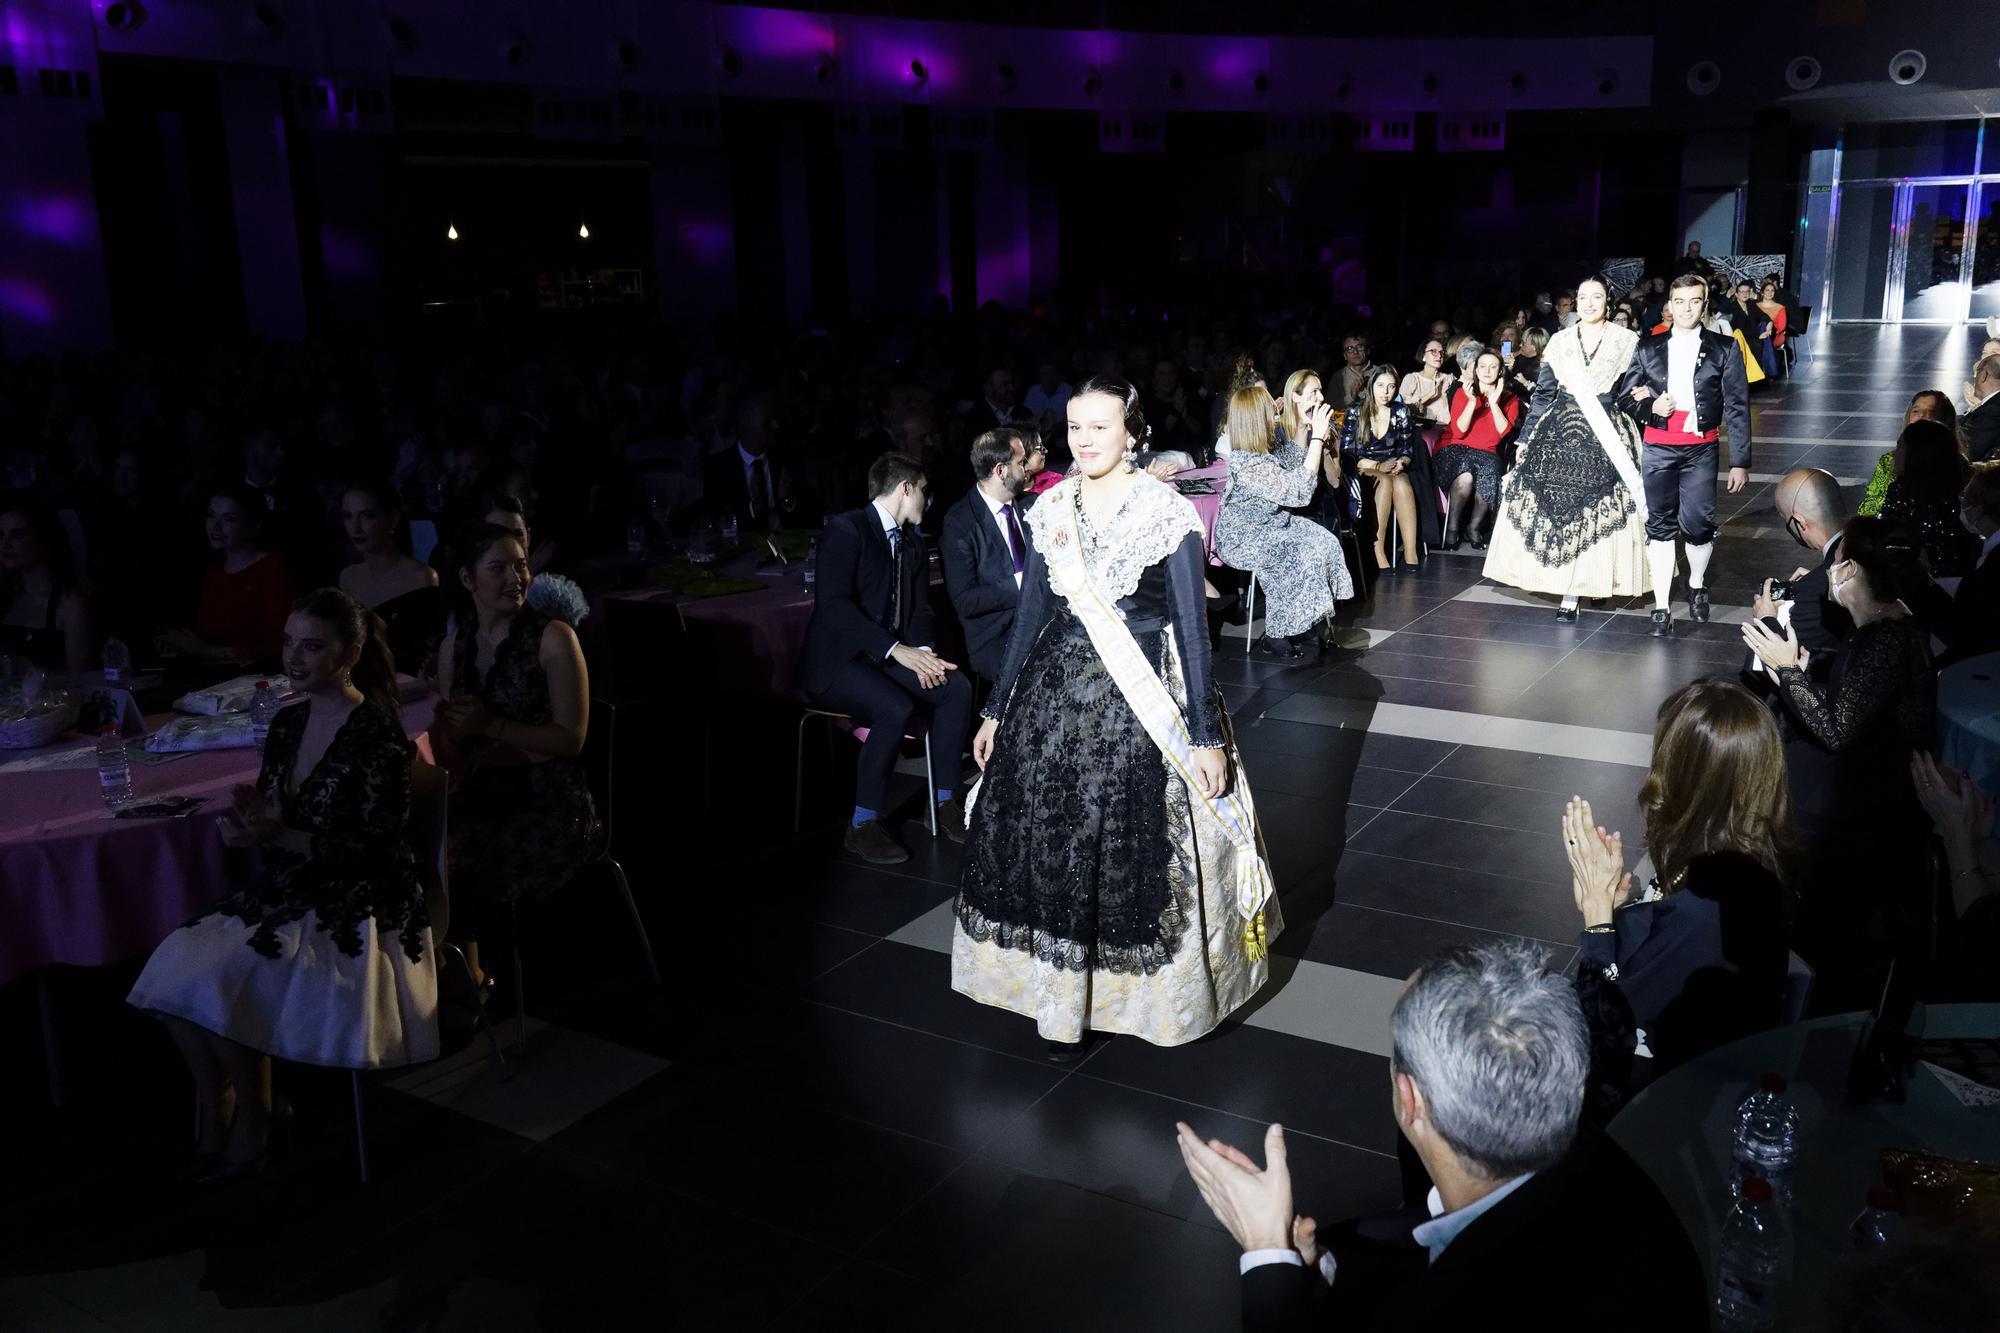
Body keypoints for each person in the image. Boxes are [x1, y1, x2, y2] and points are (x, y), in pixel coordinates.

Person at [953, 376, 1279, 1055]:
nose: (1086, 439)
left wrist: (1205, 736)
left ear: (1131, 430)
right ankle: (1060, 1000)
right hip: (1055, 698)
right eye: (1075, 427)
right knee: (1057, 842)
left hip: (1142, 704)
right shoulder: (1051, 509)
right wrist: (995, 708)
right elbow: (1030, 621)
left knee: (1121, 844)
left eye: (1100, 426)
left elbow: (1192, 631)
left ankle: (1134, 1000)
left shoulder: (1165, 510)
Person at [1178, 940, 1703, 1331]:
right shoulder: (1614, 1168)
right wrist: (1319, 1266)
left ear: (1410, 1102)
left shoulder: (1453, 1308)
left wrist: (1267, 1255)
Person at [128, 589, 438, 1180]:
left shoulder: (374, 731)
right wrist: (253, 830)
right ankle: (226, 1101)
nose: (294, 657)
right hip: (296, 882)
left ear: (347, 655)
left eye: (312, 646)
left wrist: (282, 836)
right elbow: (280, 818)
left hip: (360, 894)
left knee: (220, 978)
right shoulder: (290, 721)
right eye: (289, 642)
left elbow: (371, 848)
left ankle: (255, 1114)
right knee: (171, 971)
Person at [1562, 680, 1793, 1112]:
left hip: (1658, 1107)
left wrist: (1597, 917)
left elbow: (1604, 1029)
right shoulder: (1746, 859)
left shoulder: (1707, 909)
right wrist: (1619, 910)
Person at [1742, 516, 1937, 1010]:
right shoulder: (1876, 628)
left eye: (1834, 561)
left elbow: (1837, 728)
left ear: (1847, 570)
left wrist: (1787, 669)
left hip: (1872, 810)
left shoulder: (1888, 636)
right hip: (1867, 791)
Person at [433, 526, 595, 993]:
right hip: (484, 789)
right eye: (498, 568)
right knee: (423, 855)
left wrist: (491, 727)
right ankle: (457, 981)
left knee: (470, 865)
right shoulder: (454, 647)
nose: (515, 577)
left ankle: (480, 984)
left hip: (550, 796)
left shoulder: (553, 637)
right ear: (468, 579)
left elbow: (572, 739)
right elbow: (454, 740)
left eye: (521, 565)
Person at [800, 453, 974, 865]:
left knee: (956, 689)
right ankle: (863, 824)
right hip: (840, 661)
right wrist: (898, 651)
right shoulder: (848, 529)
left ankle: (947, 802)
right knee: (892, 707)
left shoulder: (911, 541)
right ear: (905, 488)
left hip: (888, 655)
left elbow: (918, 611)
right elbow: (835, 607)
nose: (927, 501)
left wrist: (925, 654)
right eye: (924, 492)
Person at [1482, 276, 1651, 623]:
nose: (1589, 303)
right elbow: (1544, 394)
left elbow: (1635, 389)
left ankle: (1599, 580)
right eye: (1583, 297)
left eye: (1597, 297)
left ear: (1608, 300)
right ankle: (1570, 591)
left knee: (1601, 506)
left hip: (1607, 430)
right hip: (1560, 429)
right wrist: (1525, 438)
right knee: (1562, 508)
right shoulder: (1560, 341)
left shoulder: (1627, 340)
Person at [1617, 272, 1753, 636]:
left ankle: (1696, 584)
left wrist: (1739, 461)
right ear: (1669, 306)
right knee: (1660, 526)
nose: (1686, 308)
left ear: (1704, 304)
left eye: (1694, 301)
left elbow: (1738, 406)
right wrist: (1651, 408)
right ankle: (1661, 607)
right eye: (1679, 301)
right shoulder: (1648, 347)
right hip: (1658, 448)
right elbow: (1625, 397)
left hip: (1701, 450)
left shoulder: (1724, 348)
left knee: (1698, 525)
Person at [1214, 386, 1355, 659]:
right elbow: (1298, 493)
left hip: (1275, 523)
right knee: (1296, 553)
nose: (1276, 414)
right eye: (1271, 411)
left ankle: (1308, 617)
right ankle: (1277, 632)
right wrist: (1316, 438)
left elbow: (1294, 461)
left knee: (1324, 541)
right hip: (1244, 537)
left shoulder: (1268, 449)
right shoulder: (1247, 463)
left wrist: (1303, 426)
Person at [157, 485, 293, 665]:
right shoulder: (214, 569)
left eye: (228, 519)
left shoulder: (271, 570)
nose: (215, 526)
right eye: (211, 515)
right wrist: (180, 643)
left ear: (254, 526)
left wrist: (207, 651)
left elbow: (277, 642)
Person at [941, 428, 1035, 685]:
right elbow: (965, 600)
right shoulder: (961, 521)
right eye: (1021, 462)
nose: (1028, 468)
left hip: (1041, 624)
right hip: (996, 635)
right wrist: (1022, 582)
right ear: (1000, 470)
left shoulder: (1032, 506)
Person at [1752, 468, 1854, 677]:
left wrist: (1766, 619)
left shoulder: (1815, 595)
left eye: (1785, 519)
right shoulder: (1872, 544)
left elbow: (1788, 664)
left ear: (1800, 522)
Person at [336, 481, 444, 675]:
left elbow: (431, 658)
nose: (355, 527)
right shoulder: (347, 577)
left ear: (392, 519)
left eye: (367, 516)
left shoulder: (421, 577)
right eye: (348, 517)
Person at [1342, 365, 1441, 572]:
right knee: (1385, 481)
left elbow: (1407, 448)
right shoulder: (1355, 410)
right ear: (1371, 386)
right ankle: (1377, 552)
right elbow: (1348, 453)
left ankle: (1411, 551)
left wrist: (1402, 462)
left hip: (1392, 464)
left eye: (1390, 387)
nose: (1385, 392)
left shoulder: (1400, 411)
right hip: (1363, 466)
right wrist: (1378, 466)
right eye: (1380, 386)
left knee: (1402, 483)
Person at [1917, 462, 2000, 666]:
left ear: (1979, 509)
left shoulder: (1993, 568)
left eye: (1965, 498)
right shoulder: (1989, 552)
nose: (1961, 503)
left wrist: (1922, 580)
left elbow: (1961, 629)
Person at [1434, 351, 1518, 551]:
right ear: (1476, 369)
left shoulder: (1510, 398)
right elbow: (1460, 431)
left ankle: (1473, 527)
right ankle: (1452, 528)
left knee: (1490, 470)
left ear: (1500, 371)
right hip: (1455, 448)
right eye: (1482, 366)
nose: (1487, 371)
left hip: (1487, 452)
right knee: (1466, 478)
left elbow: (1502, 434)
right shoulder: (1463, 392)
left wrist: (1495, 403)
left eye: (1493, 366)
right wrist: (1472, 402)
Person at [0, 496, 92, 678]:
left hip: (53, 704)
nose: (5, 544)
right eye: (0, 535)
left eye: (18, 535)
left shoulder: (70, 606)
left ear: (43, 538)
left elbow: (81, 683)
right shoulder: (7, 598)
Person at [1881, 419, 1980, 578]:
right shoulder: (1965, 490)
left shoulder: (1901, 493)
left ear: (1914, 454)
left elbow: (1886, 540)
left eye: (1899, 446)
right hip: (1966, 580)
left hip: (1919, 583)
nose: (1894, 453)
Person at [1861, 390, 1959, 516]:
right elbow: (1868, 507)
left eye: (1931, 411)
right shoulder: (1889, 460)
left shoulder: (1956, 462)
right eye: (1916, 411)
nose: (1921, 415)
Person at [698, 392, 784, 531]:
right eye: (767, 420)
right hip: (741, 549)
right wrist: (753, 508)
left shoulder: (786, 460)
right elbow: (717, 521)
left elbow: (805, 516)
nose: (775, 425)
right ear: (747, 422)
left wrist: (787, 499)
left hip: (786, 548)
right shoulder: (718, 468)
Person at [1398, 340, 1456, 427]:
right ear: (1423, 355)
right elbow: (1401, 410)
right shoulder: (1412, 379)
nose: (1439, 356)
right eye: (1433, 351)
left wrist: (1444, 396)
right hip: (1416, 433)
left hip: (1443, 432)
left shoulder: (1449, 379)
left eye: (1442, 352)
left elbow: (1448, 419)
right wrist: (1430, 395)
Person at [1333, 334, 1371, 405]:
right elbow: (1332, 408)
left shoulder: (1380, 373)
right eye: (1350, 349)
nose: (1355, 352)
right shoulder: (1338, 377)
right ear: (1345, 356)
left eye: (1360, 347)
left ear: (1367, 351)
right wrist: (1352, 396)